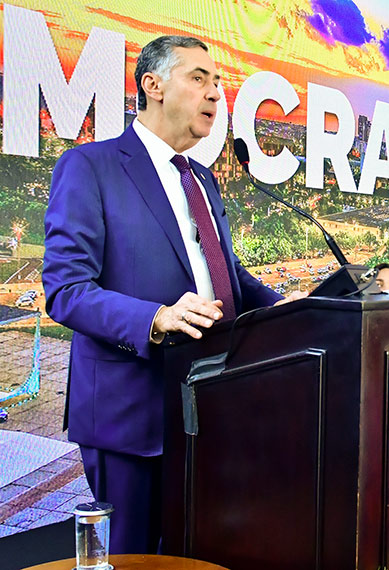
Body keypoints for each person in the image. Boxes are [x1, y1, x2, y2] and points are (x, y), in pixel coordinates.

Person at [42, 36, 305, 554]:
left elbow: (226, 276)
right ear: (153, 85)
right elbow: (66, 290)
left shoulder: (202, 179)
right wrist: (155, 318)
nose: (214, 94)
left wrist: (283, 308)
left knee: (201, 552)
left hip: (211, 408)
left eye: (218, 83)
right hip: (131, 414)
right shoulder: (90, 167)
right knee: (134, 557)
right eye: (199, 78)